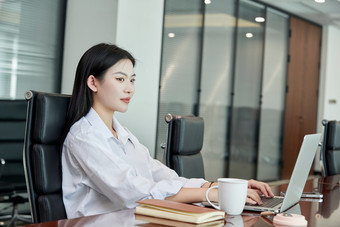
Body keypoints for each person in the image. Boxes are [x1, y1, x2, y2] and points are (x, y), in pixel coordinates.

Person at [62, 43, 274, 219]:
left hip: (139, 219)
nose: (129, 88)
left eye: (132, 80)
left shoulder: (123, 133)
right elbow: (135, 194)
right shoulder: (84, 137)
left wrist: (224, 186)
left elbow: (165, 178)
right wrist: (213, 194)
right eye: (120, 79)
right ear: (93, 82)